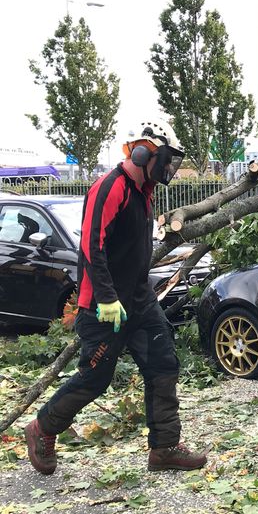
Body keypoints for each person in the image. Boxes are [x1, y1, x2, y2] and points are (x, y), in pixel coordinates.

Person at [24, 119, 208, 475]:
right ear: (143, 153)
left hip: (139, 300)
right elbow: (92, 244)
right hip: (104, 307)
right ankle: (42, 428)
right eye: (165, 158)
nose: (169, 167)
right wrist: (107, 298)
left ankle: (165, 447)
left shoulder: (144, 191)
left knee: (163, 365)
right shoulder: (110, 188)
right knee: (95, 377)